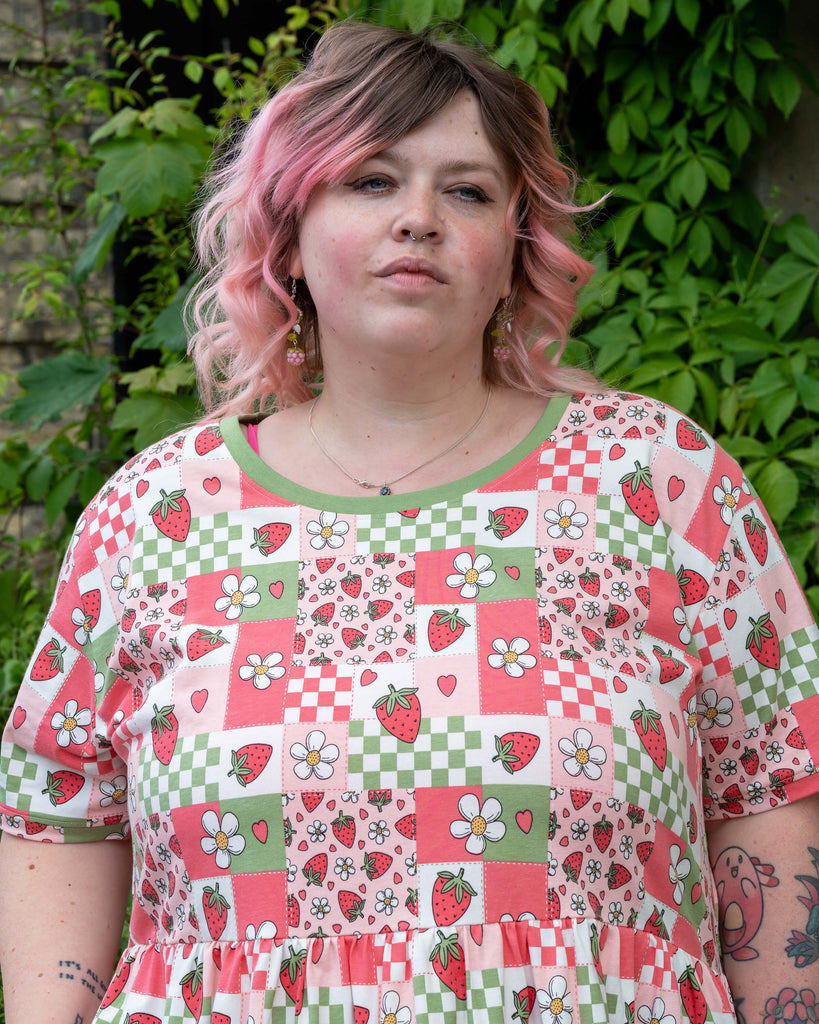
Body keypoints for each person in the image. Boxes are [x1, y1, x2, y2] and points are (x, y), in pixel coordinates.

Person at [0, 20, 817, 1024]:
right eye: (370, 181)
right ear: (288, 233)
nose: (418, 218)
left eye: (465, 189)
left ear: (517, 245)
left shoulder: (657, 484)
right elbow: (57, 807)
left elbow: (774, 784)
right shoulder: (157, 515)